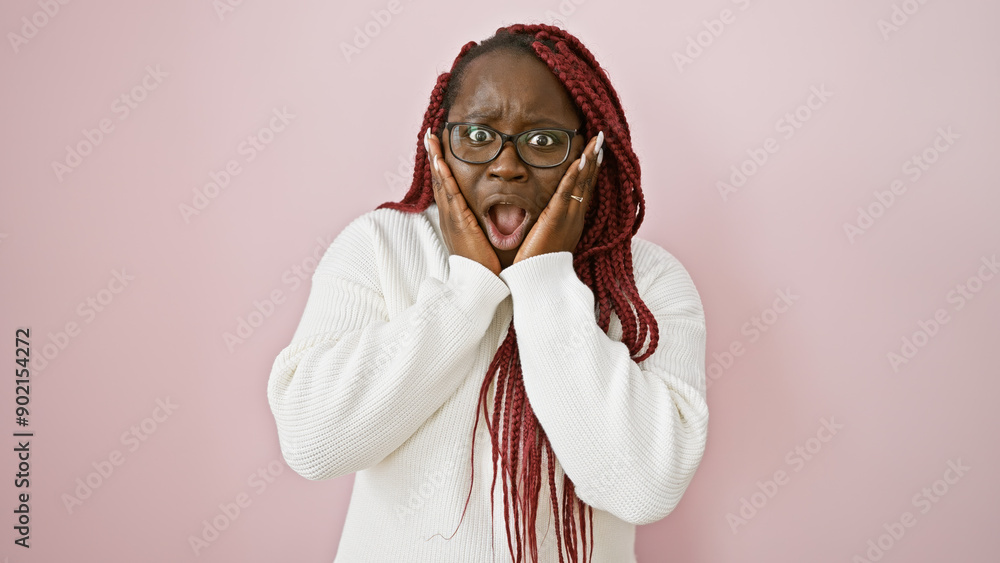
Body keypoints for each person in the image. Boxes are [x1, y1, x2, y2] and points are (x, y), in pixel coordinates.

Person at [266, 23, 708, 563]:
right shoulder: (379, 247)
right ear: (439, 146)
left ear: (588, 157)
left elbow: (643, 486)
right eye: (477, 136)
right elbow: (312, 442)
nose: (506, 164)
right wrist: (466, 291)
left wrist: (545, 279)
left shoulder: (648, 283)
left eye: (543, 140)